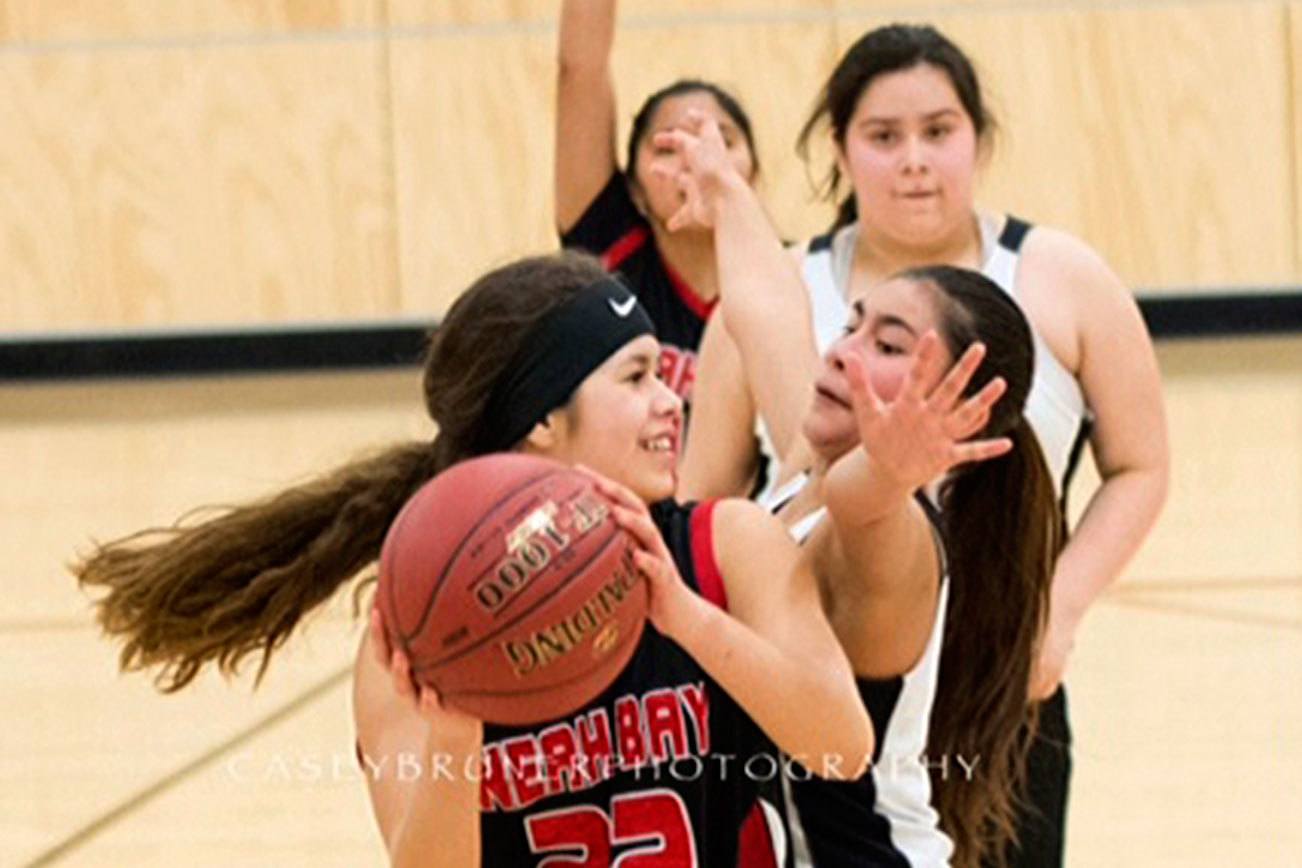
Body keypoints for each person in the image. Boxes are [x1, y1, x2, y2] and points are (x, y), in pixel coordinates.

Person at [75, 252, 892, 866]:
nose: (670, 399)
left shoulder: (724, 547)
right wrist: (454, 727)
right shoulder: (424, 620)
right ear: (542, 418)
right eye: (636, 377)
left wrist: (684, 615)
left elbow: (841, 749)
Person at [677, 23, 1169, 867]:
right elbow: (765, 307)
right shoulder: (812, 461)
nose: (843, 349)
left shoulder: (883, 517)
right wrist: (726, 193)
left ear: (953, 412)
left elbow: (869, 495)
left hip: (973, 719)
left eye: (889, 345)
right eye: (854, 324)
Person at [555, 0, 760, 410]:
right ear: (634, 190)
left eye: (720, 139)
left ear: (754, 174)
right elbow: (579, 70)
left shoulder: (794, 278)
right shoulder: (609, 248)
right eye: (668, 146)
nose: (694, 158)